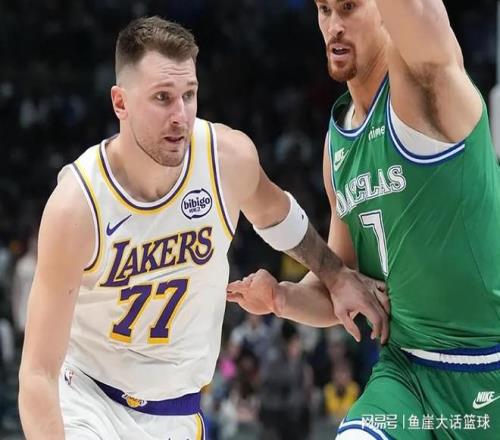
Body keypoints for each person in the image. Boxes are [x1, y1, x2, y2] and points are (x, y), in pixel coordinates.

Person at [17, 16, 389, 440]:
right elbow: (37, 373)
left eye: (189, 95)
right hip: (89, 402)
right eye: (162, 98)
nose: (180, 115)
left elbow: (279, 217)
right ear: (120, 103)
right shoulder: (76, 206)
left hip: (177, 415)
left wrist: (335, 275)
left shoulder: (225, 158)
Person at [228, 1, 500, 438]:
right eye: (324, 9)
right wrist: (280, 297)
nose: (334, 25)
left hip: (488, 363)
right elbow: (342, 286)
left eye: (349, 7)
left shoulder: (427, 82)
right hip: (405, 375)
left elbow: (423, 16)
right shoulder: (336, 143)